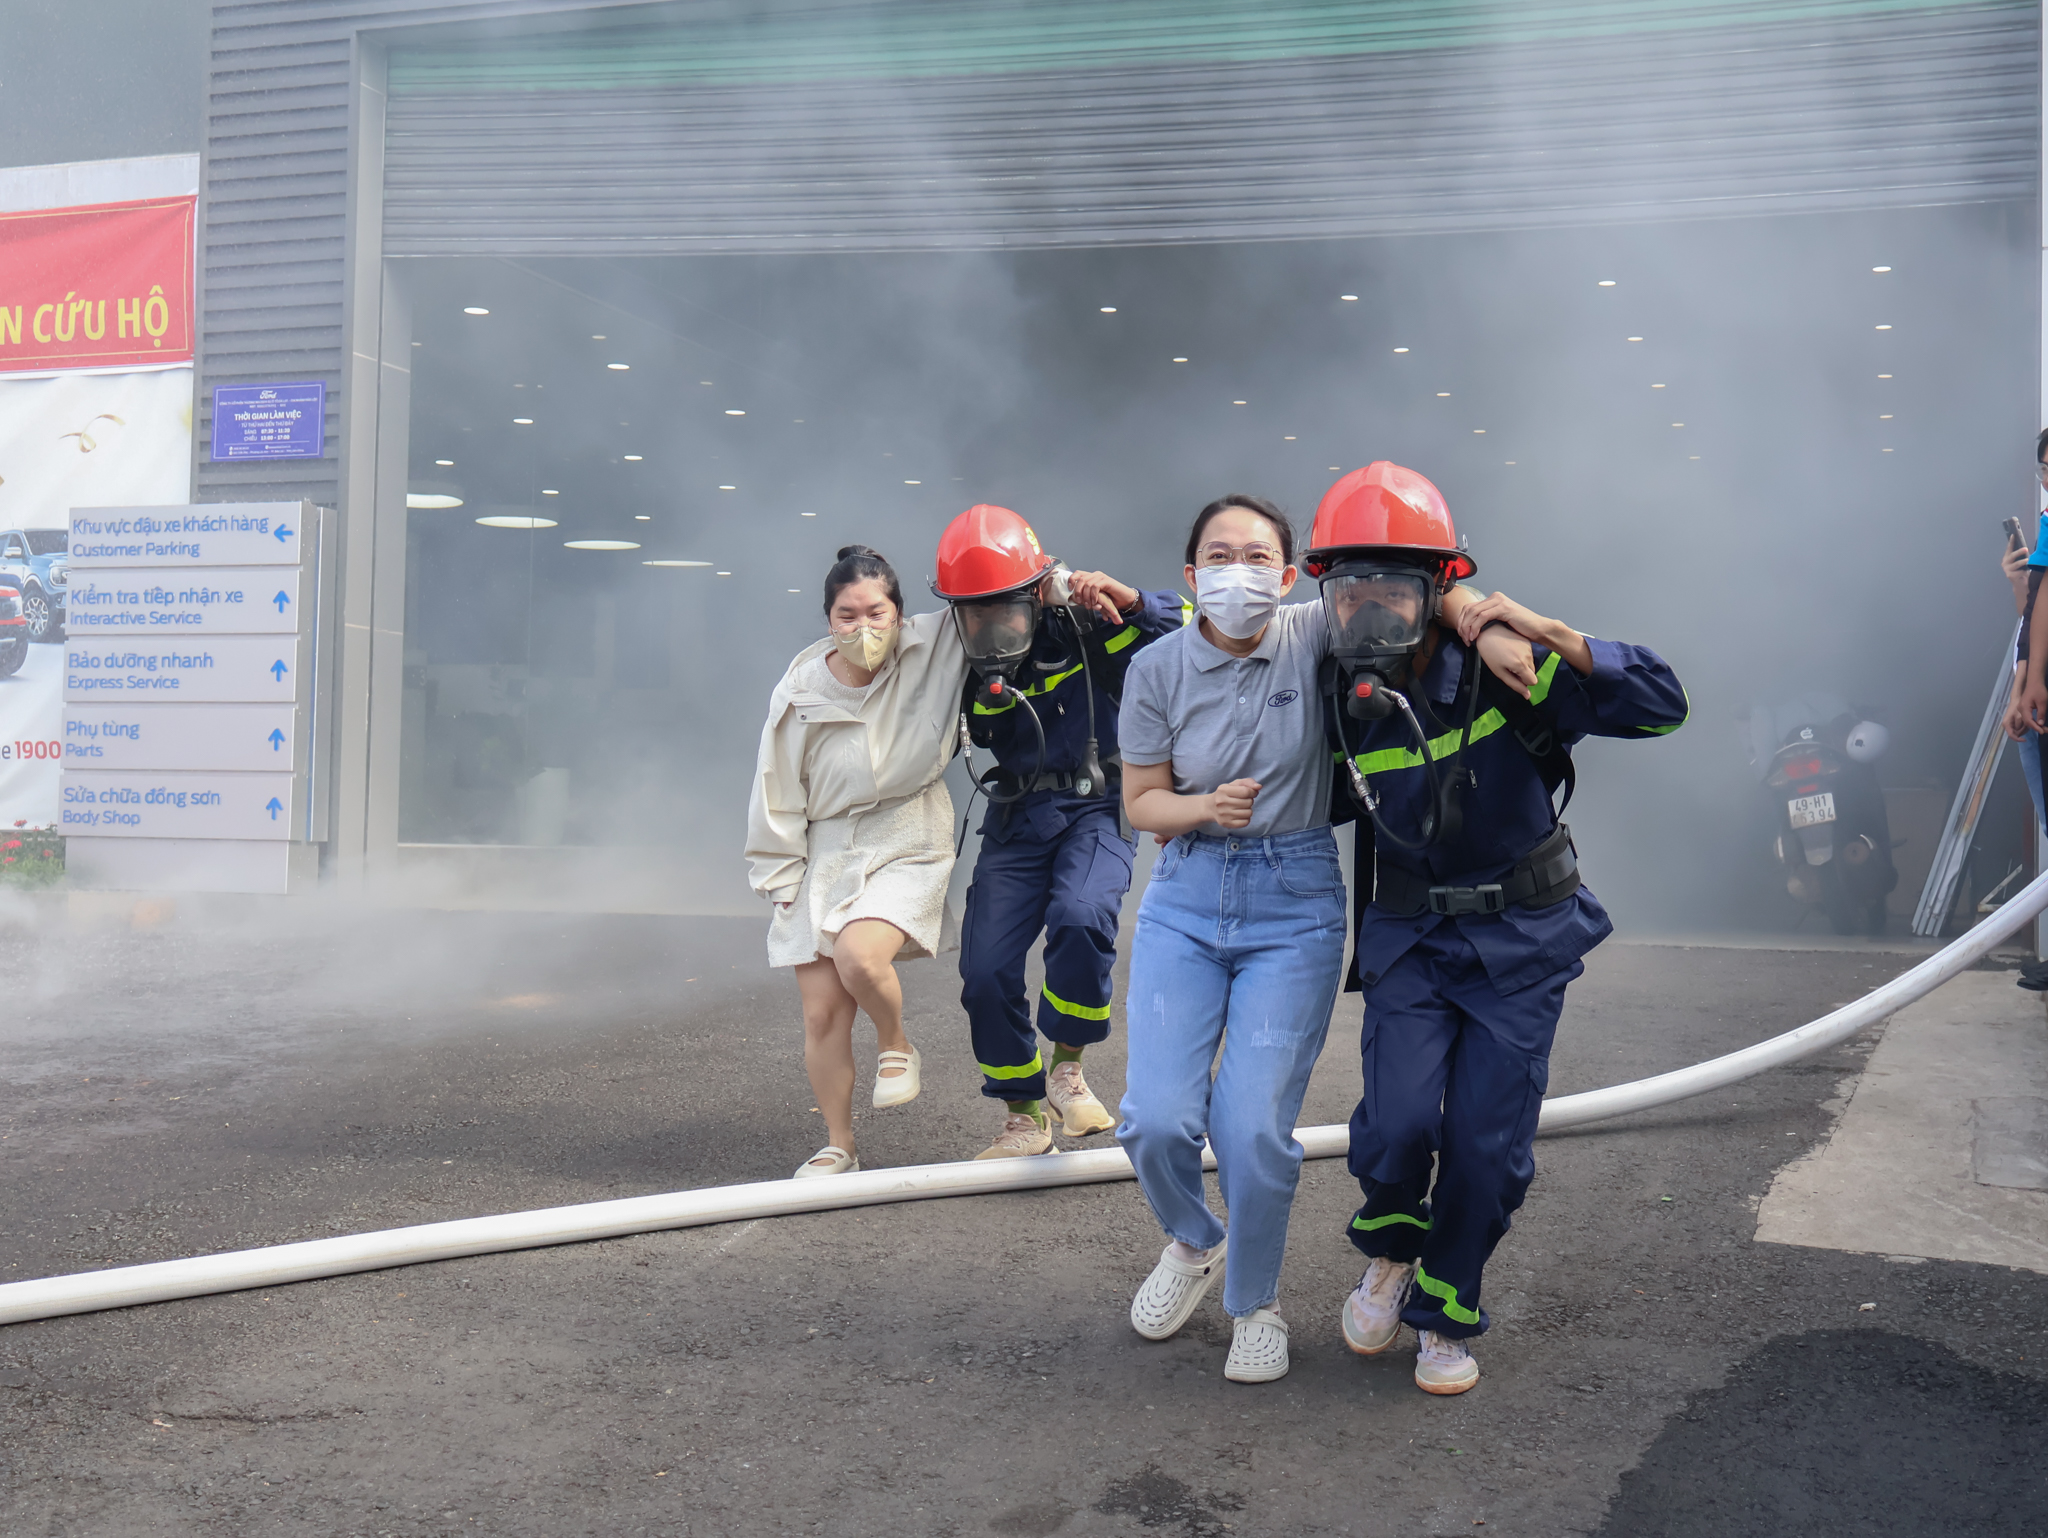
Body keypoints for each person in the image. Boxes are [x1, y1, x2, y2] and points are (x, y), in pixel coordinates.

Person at [1113, 492, 1526, 1384]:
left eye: (1259, 557)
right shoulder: (1154, 670)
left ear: (1292, 574)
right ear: (1191, 578)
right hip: (1185, 896)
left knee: (1254, 1130)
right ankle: (1194, 1240)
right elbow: (1138, 802)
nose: (1239, 572)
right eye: (1219, 556)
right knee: (1153, 1120)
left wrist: (1482, 622)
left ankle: (1254, 1306)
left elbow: (1411, 589)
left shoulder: (1312, 633)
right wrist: (1198, 807)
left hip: (1293, 902)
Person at [1308, 462, 1687, 1396]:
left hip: (1520, 938)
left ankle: (1445, 1305)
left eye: (1395, 590)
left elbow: (1661, 704)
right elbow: (1212, 631)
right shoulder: (1328, 682)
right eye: (1350, 590)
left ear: (1437, 588)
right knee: (1396, 1123)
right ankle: (1392, 1251)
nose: (1371, 613)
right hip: (1408, 936)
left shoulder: (1511, 662)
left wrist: (1538, 628)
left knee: (1486, 1145)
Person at [932, 504, 1184, 1159]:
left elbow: (1183, 633)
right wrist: (985, 703)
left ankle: (1067, 1068)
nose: (989, 625)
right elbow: (976, 735)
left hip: (1095, 805)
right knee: (984, 970)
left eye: (1004, 608)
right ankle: (1024, 1117)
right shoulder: (960, 659)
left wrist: (1127, 602)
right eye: (974, 612)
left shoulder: (1087, 625)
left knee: (1082, 914)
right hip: (1016, 817)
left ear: (1037, 591)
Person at [745, 544, 969, 1178]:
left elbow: (1002, 600)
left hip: (907, 831)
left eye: (877, 612)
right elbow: (775, 784)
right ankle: (839, 1144)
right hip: (824, 846)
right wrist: (778, 872)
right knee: (821, 1011)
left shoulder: (935, 645)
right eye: (848, 615)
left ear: (899, 611)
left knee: (857, 955)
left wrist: (1064, 584)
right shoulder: (799, 687)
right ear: (828, 620)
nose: (864, 628)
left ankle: (896, 1044)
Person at [2002, 428, 2048, 990]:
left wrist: (2032, 683)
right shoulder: (2043, 524)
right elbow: (2031, 616)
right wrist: (2021, 689)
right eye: (2042, 467)